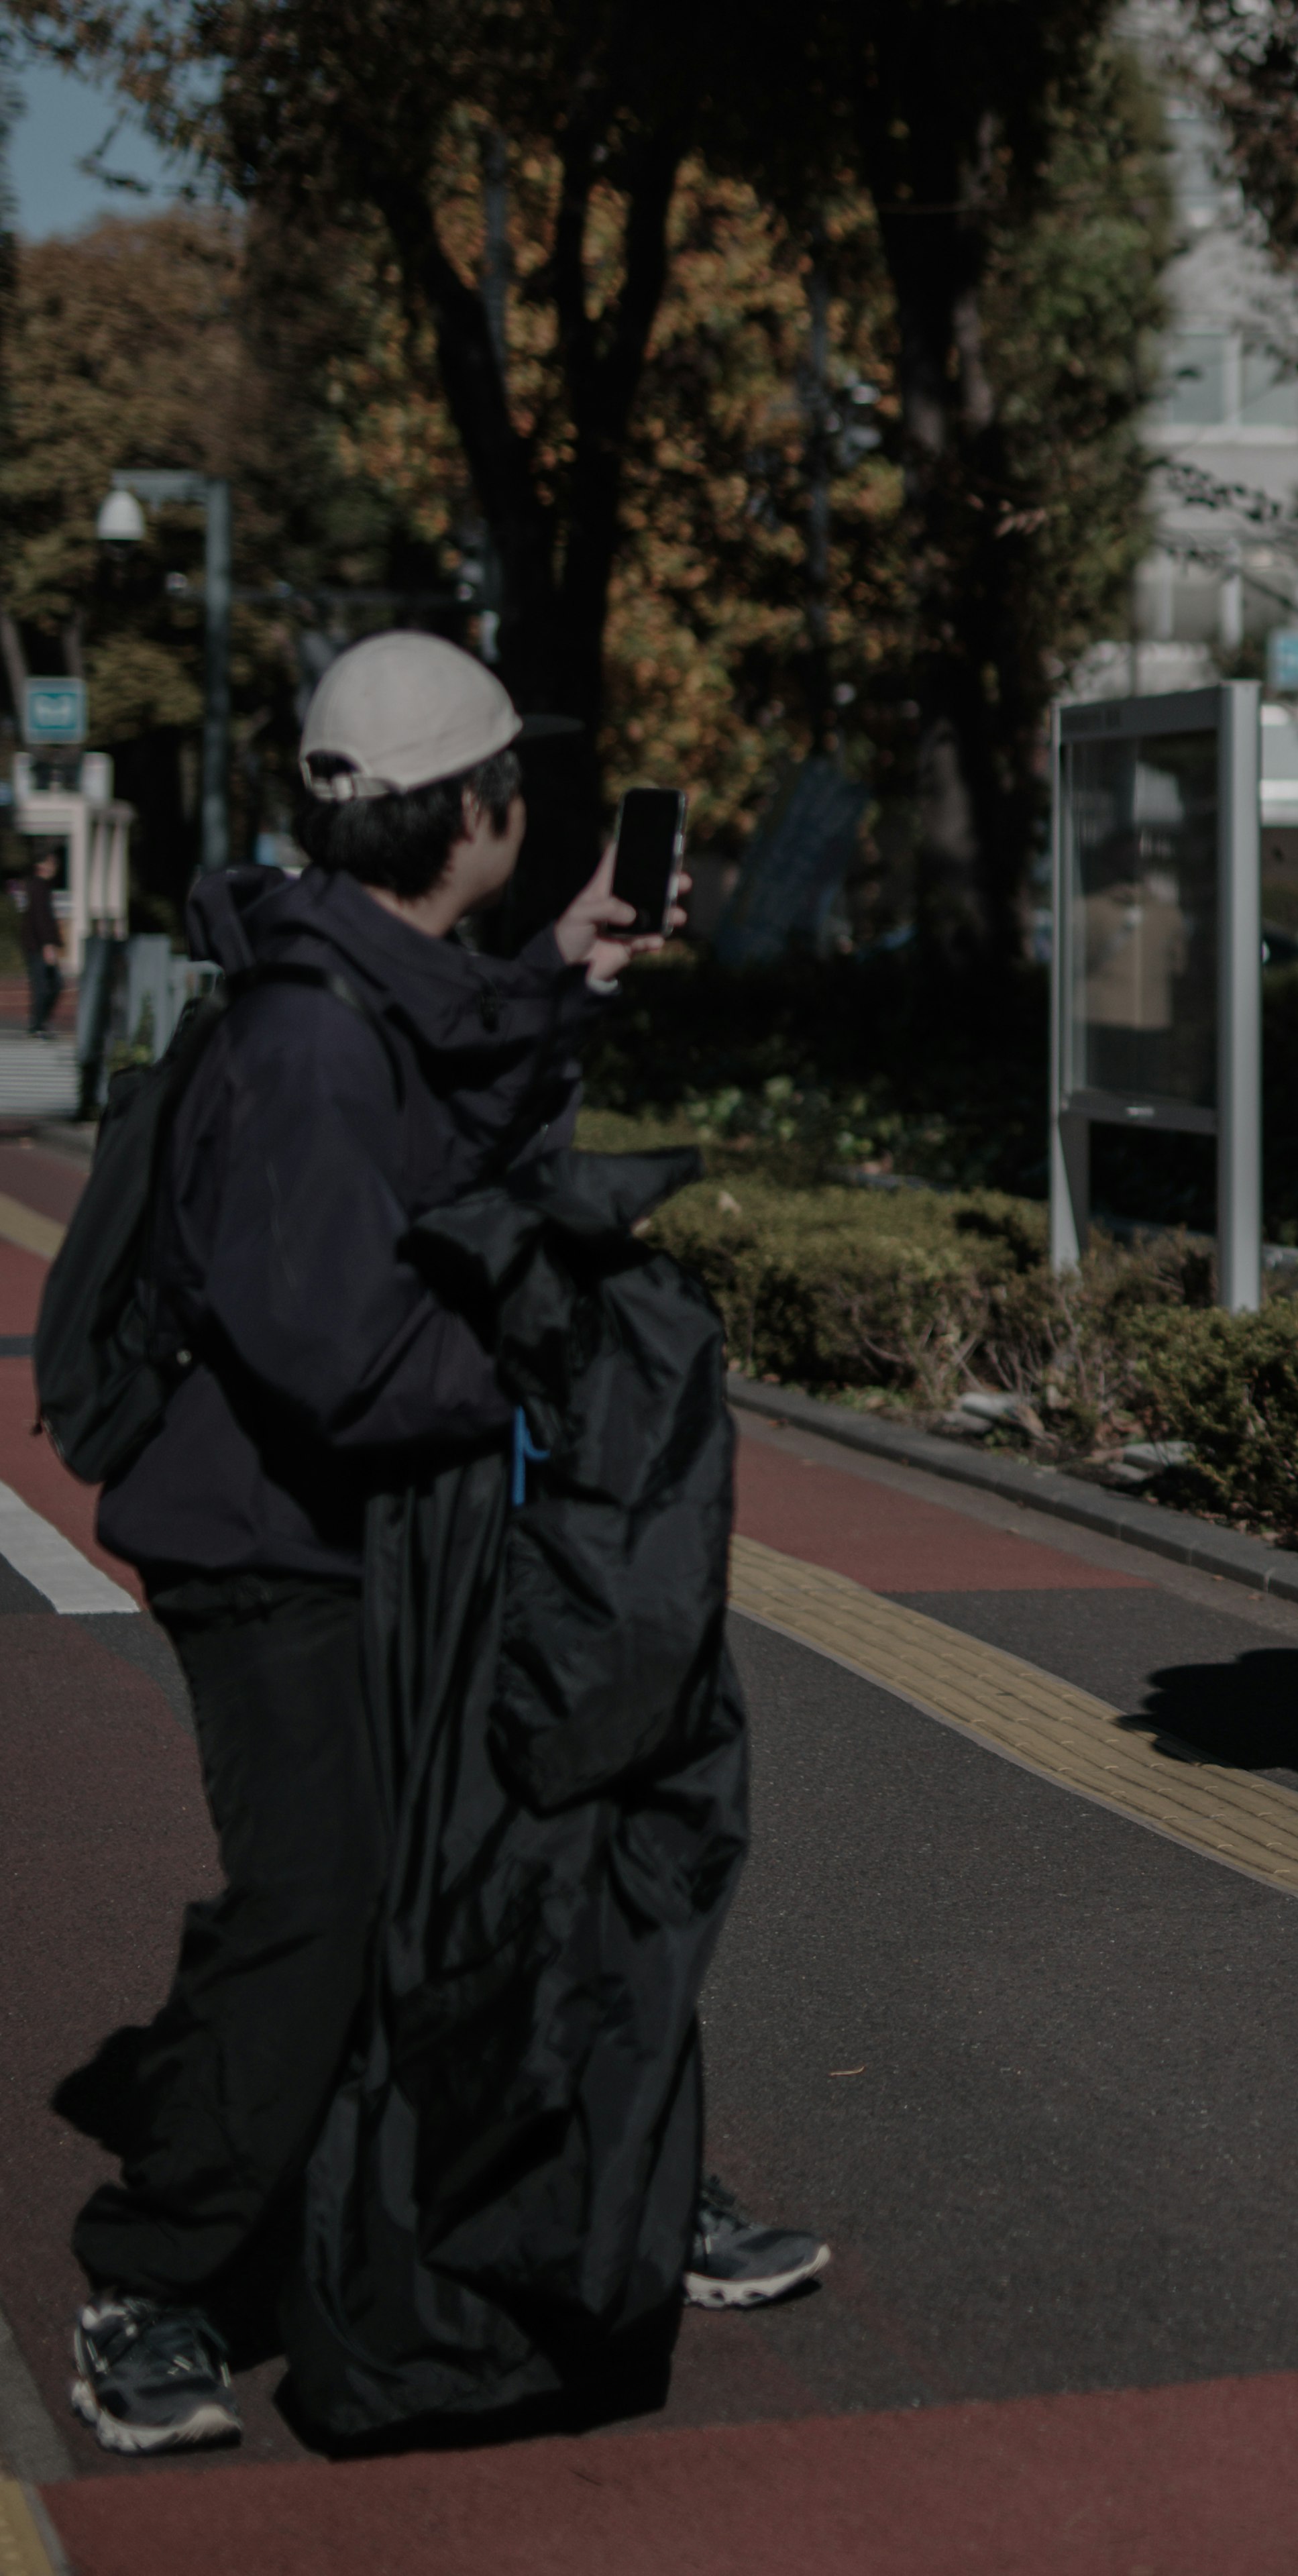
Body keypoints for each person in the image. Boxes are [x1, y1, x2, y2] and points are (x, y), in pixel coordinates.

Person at [64, 632, 826, 2457]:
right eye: (517, 795)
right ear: (476, 812)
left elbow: (464, 1104)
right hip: (276, 1553)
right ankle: (152, 2276)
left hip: (389, 1535)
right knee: (327, 1902)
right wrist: (558, 1348)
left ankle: (602, 2184)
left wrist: (568, 970)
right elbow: (345, 1350)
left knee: (527, 1865)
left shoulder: (369, 973)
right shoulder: (310, 1043)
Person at [24, 847, 61, 1035]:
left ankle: (40, 1022)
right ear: (42, 865)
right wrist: (48, 944)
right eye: (52, 863)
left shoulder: (42, 887)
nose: (55, 867)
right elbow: (40, 918)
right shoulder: (38, 887)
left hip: (39, 945)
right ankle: (38, 1024)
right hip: (38, 946)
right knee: (46, 985)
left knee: (51, 984)